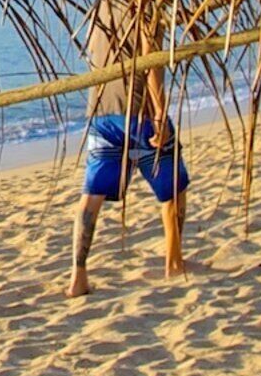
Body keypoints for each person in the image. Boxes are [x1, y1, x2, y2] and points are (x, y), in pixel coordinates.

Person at [68, 92, 190, 295]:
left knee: (91, 195)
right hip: (142, 113)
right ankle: (174, 263)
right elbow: (151, 66)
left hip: (102, 115)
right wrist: (159, 113)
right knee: (174, 190)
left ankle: (77, 278)